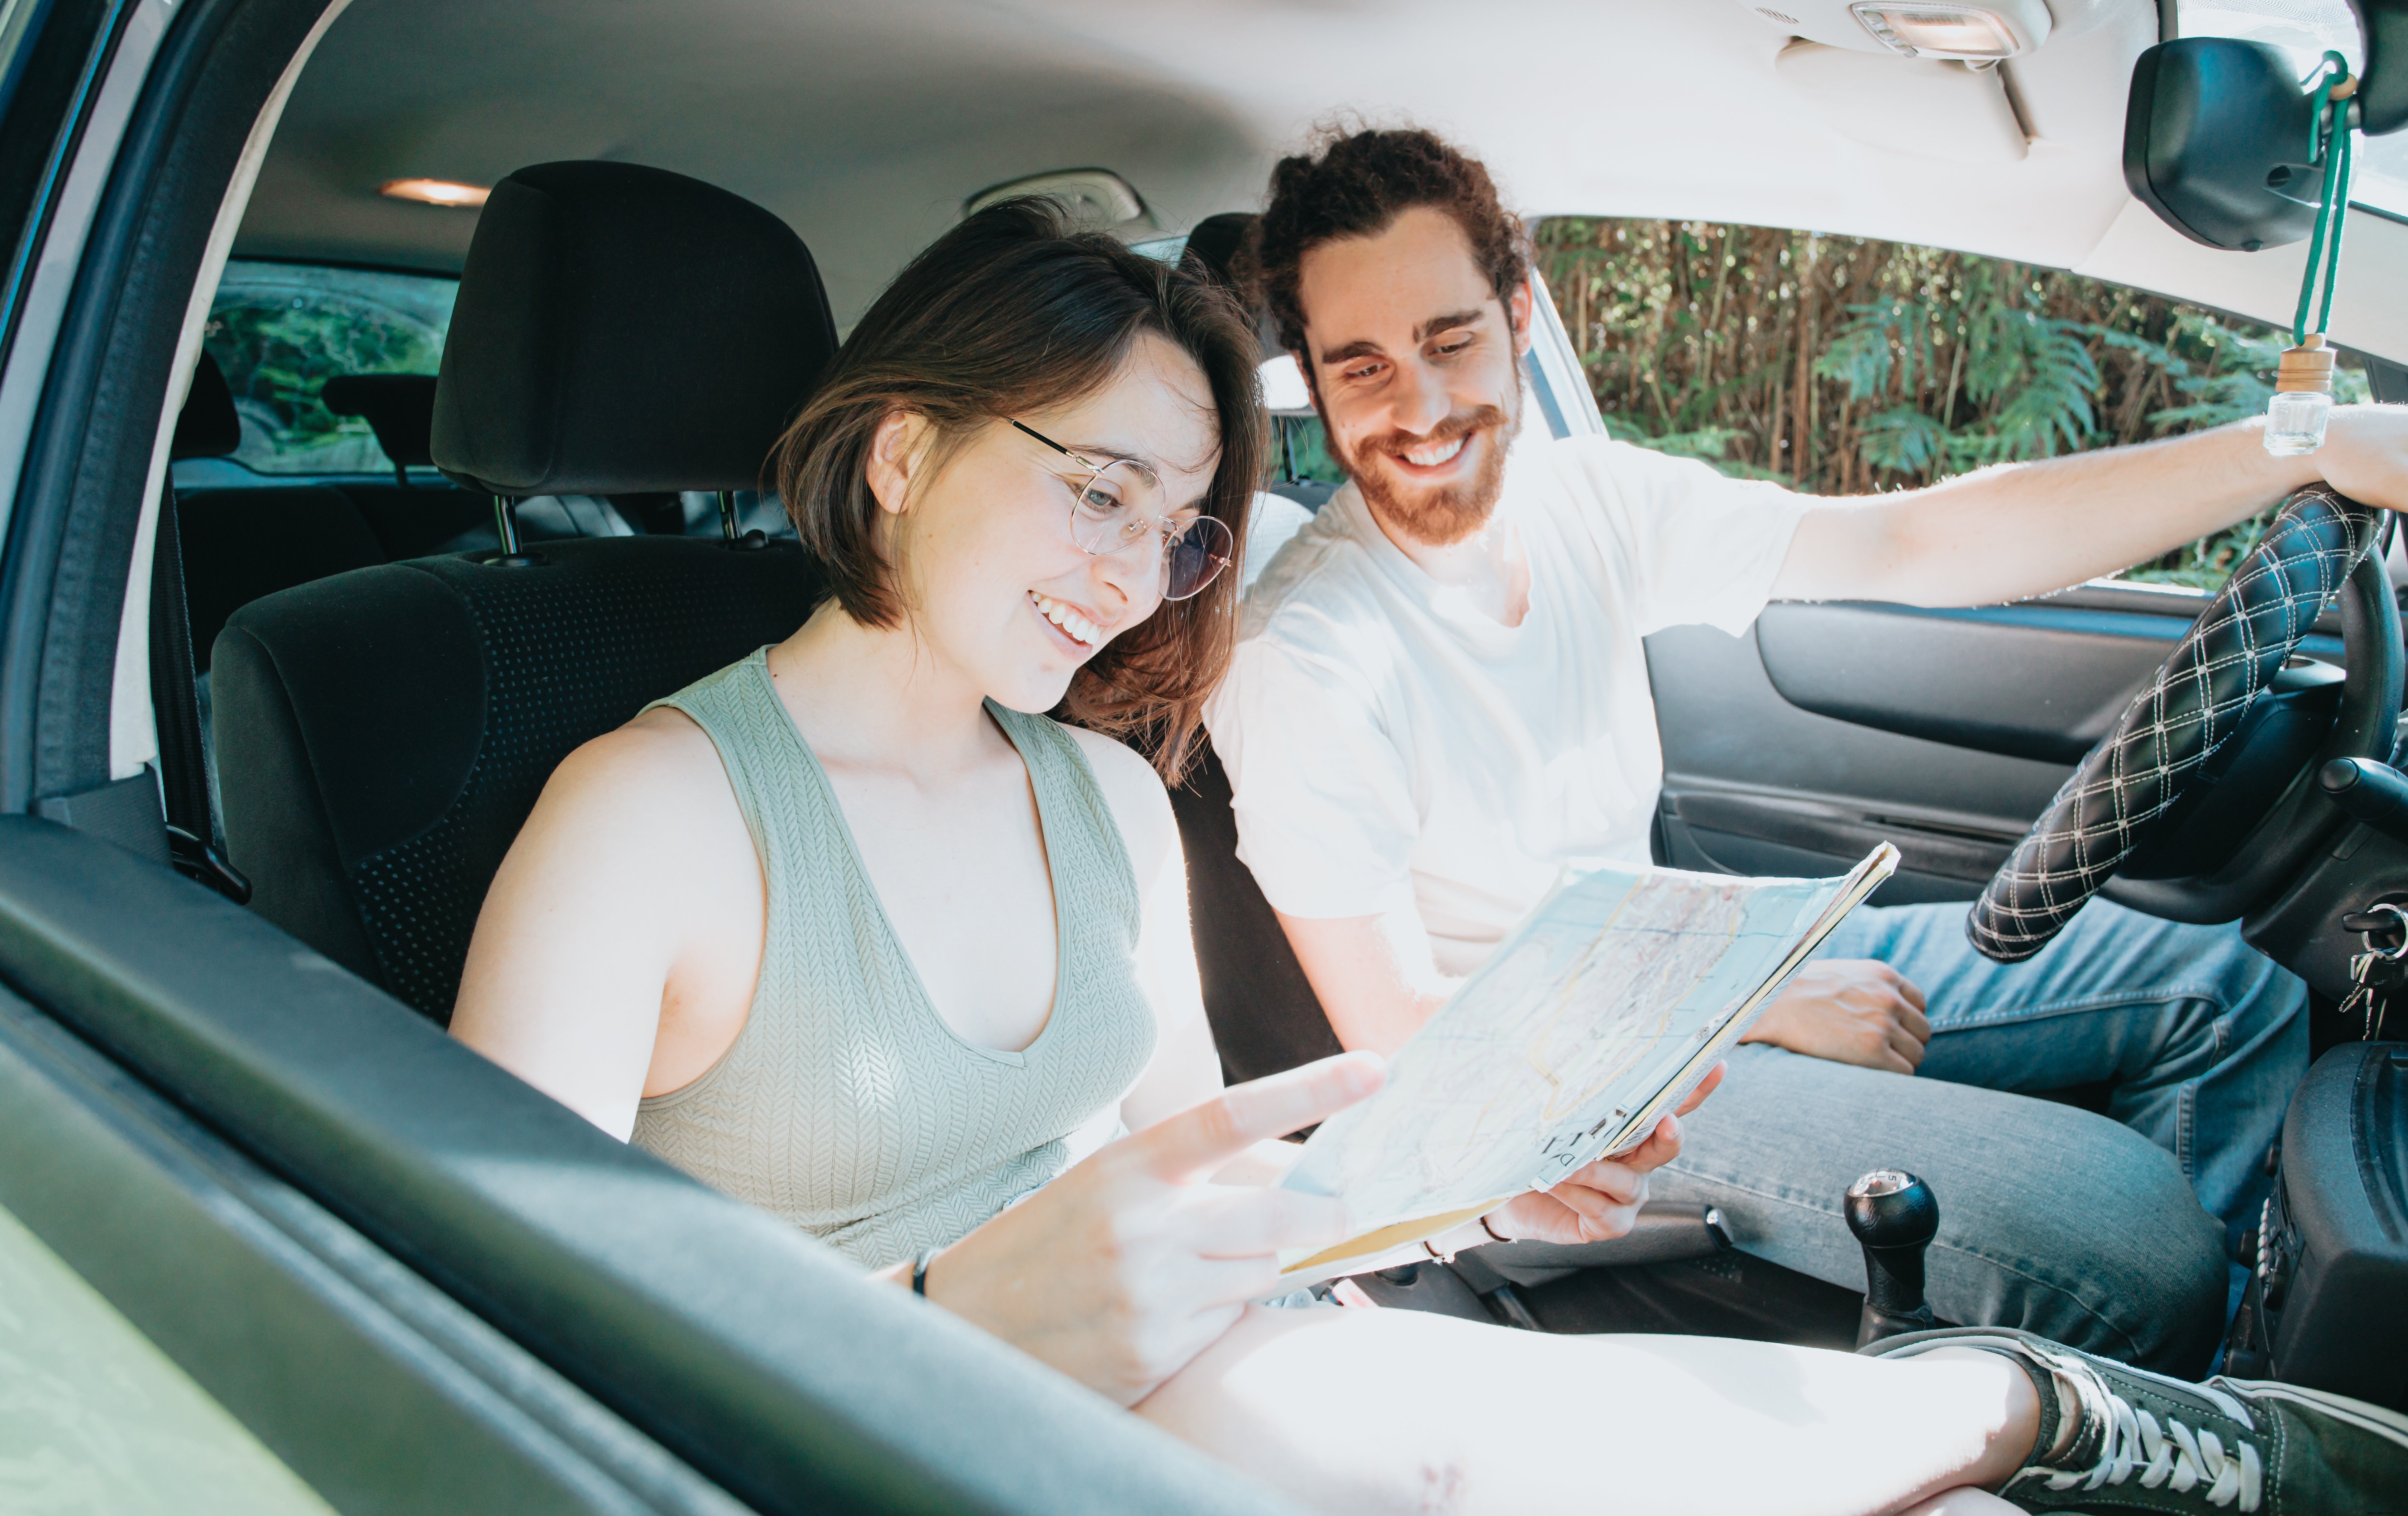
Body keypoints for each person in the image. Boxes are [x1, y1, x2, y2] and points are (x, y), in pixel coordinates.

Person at [450, 198, 2407, 1513]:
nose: (1137, 573)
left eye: (1185, 521)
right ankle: (2017, 1405)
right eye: (1097, 490)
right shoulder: (647, 823)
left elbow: (1198, 1185)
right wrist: (948, 1325)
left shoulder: (1101, 796)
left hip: (1213, 1395)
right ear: (898, 453)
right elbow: (464, 1378)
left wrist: (1473, 1195)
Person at [1203, 127, 2403, 1372]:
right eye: (1362, 368)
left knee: (2235, 995)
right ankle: (2156, 1391)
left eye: (1450, 340)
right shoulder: (1307, 652)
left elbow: (1910, 544)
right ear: (1314, 382)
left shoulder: (1581, 500)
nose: (1422, 408)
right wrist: (1749, 1011)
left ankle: (2179, 1397)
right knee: (2132, 1238)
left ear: (1517, 316)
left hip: (1688, 951)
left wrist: (2296, 450)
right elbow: (1408, 1037)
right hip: (1560, 1092)